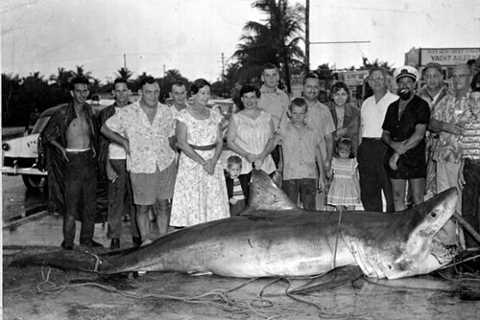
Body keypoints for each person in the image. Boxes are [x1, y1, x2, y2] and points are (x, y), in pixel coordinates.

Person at [102, 77, 176, 245]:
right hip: (140, 165)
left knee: (164, 205)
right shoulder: (127, 112)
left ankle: (162, 242)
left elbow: (171, 136)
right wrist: (123, 142)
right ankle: (146, 241)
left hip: (165, 164)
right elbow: (105, 129)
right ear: (141, 93)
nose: (153, 96)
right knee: (143, 207)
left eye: (156, 92)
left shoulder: (166, 111)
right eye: (149, 92)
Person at [42, 76, 101, 250]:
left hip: (88, 160)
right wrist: (61, 149)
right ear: (72, 92)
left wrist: (94, 148)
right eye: (78, 91)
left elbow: (94, 134)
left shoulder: (90, 111)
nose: (82, 94)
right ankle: (68, 243)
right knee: (71, 206)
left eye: (85, 91)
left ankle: (87, 240)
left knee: (90, 205)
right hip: (72, 161)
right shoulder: (62, 113)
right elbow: (47, 135)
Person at [170, 79, 229, 227]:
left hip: (212, 162)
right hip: (192, 163)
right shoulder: (183, 115)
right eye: (202, 93)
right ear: (193, 95)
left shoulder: (214, 114)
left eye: (208, 93)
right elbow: (182, 143)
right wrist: (203, 163)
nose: (206, 96)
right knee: (193, 204)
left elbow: (220, 141)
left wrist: (213, 161)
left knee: (213, 204)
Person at [430, 64, 473, 245]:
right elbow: (431, 123)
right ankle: (447, 243)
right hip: (443, 158)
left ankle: (466, 246)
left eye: (461, 76)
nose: (457, 80)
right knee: (444, 202)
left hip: (466, 161)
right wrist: (446, 126)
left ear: (470, 77)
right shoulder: (445, 100)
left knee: (465, 205)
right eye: (454, 76)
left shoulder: (476, 100)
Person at [98, 78, 140, 249]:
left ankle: (138, 235)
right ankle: (115, 236)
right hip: (115, 159)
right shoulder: (106, 113)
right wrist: (107, 164)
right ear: (113, 93)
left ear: (129, 92)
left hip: (135, 161)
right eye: (118, 90)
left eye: (125, 90)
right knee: (115, 201)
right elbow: (102, 142)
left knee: (136, 200)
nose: (121, 94)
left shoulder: (137, 111)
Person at [382, 66, 430, 211]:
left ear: (414, 84)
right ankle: (401, 231)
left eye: (408, 82)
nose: (404, 85)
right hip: (395, 159)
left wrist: (397, 152)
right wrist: (392, 144)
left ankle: (419, 232)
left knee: (418, 199)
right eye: (401, 82)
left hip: (415, 157)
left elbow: (419, 135)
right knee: (397, 197)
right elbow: (385, 133)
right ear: (397, 85)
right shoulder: (392, 107)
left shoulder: (421, 105)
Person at [227, 84, 278, 199]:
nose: (249, 100)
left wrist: (262, 156)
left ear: (257, 98)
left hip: (265, 166)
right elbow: (230, 142)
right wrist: (247, 155)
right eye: (246, 97)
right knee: (246, 202)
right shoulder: (236, 118)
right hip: (244, 167)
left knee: (267, 202)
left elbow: (272, 139)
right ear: (241, 99)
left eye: (252, 97)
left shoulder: (267, 116)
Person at [358, 68, 397, 212]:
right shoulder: (366, 103)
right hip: (367, 147)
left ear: (386, 80)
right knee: (368, 191)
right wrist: (360, 149)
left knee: (390, 189)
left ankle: (392, 225)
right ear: (368, 82)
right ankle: (374, 223)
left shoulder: (395, 100)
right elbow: (361, 128)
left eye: (380, 78)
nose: (376, 81)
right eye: (373, 79)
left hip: (386, 146)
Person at [278, 97, 325, 210]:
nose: (298, 116)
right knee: (290, 209)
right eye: (295, 113)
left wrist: (322, 176)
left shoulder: (313, 131)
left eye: (301, 113)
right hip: (290, 175)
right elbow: (277, 145)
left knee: (309, 209)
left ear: (306, 114)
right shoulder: (283, 130)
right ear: (289, 113)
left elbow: (317, 152)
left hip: (309, 174)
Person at [302, 72, 335, 209]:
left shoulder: (324, 110)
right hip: (299, 163)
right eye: (309, 86)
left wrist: (328, 160)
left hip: (319, 164)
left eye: (315, 87)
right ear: (303, 88)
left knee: (319, 202)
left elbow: (329, 138)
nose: (312, 90)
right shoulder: (293, 108)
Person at [418, 63, 448, 198]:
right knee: (422, 185)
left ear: (442, 76)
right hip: (422, 144)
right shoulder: (418, 97)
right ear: (424, 78)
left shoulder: (450, 95)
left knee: (444, 184)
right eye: (428, 76)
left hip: (445, 145)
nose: (432, 79)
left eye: (435, 76)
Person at [458, 72, 480, 248]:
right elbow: (462, 143)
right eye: (472, 100)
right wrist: (460, 168)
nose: (475, 105)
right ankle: (472, 250)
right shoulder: (467, 117)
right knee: (469, 209)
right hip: (470, 166)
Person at [257, 63, 289, 168]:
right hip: (261, 145)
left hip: (282, 144)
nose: (271, 78)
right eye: (267, 75)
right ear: (262, 78)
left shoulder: (284, 96)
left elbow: (286, 120)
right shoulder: (256, 97)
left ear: (278, 77)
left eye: (274, 75)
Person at [327, 138, 361, 211]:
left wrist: (359, 193)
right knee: (340, 212)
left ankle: (349, 222)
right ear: (337, 150)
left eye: (347, 151)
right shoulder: (334, 161)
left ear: (350, 151)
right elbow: (329, 175)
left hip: (350, 190)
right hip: (337, 190)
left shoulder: (352, 162)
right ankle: (341, 222)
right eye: (342, 151)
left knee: (351, 211)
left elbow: (355, 178)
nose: (344, 153)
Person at [328, 81, 360, 154]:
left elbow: (355, 133)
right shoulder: (326, 111)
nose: (340, 97)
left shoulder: (355, 111)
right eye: (337, 94)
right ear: (332, 96)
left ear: (348, 95)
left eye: (343, 94)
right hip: (329, 151)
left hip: (349, 151)